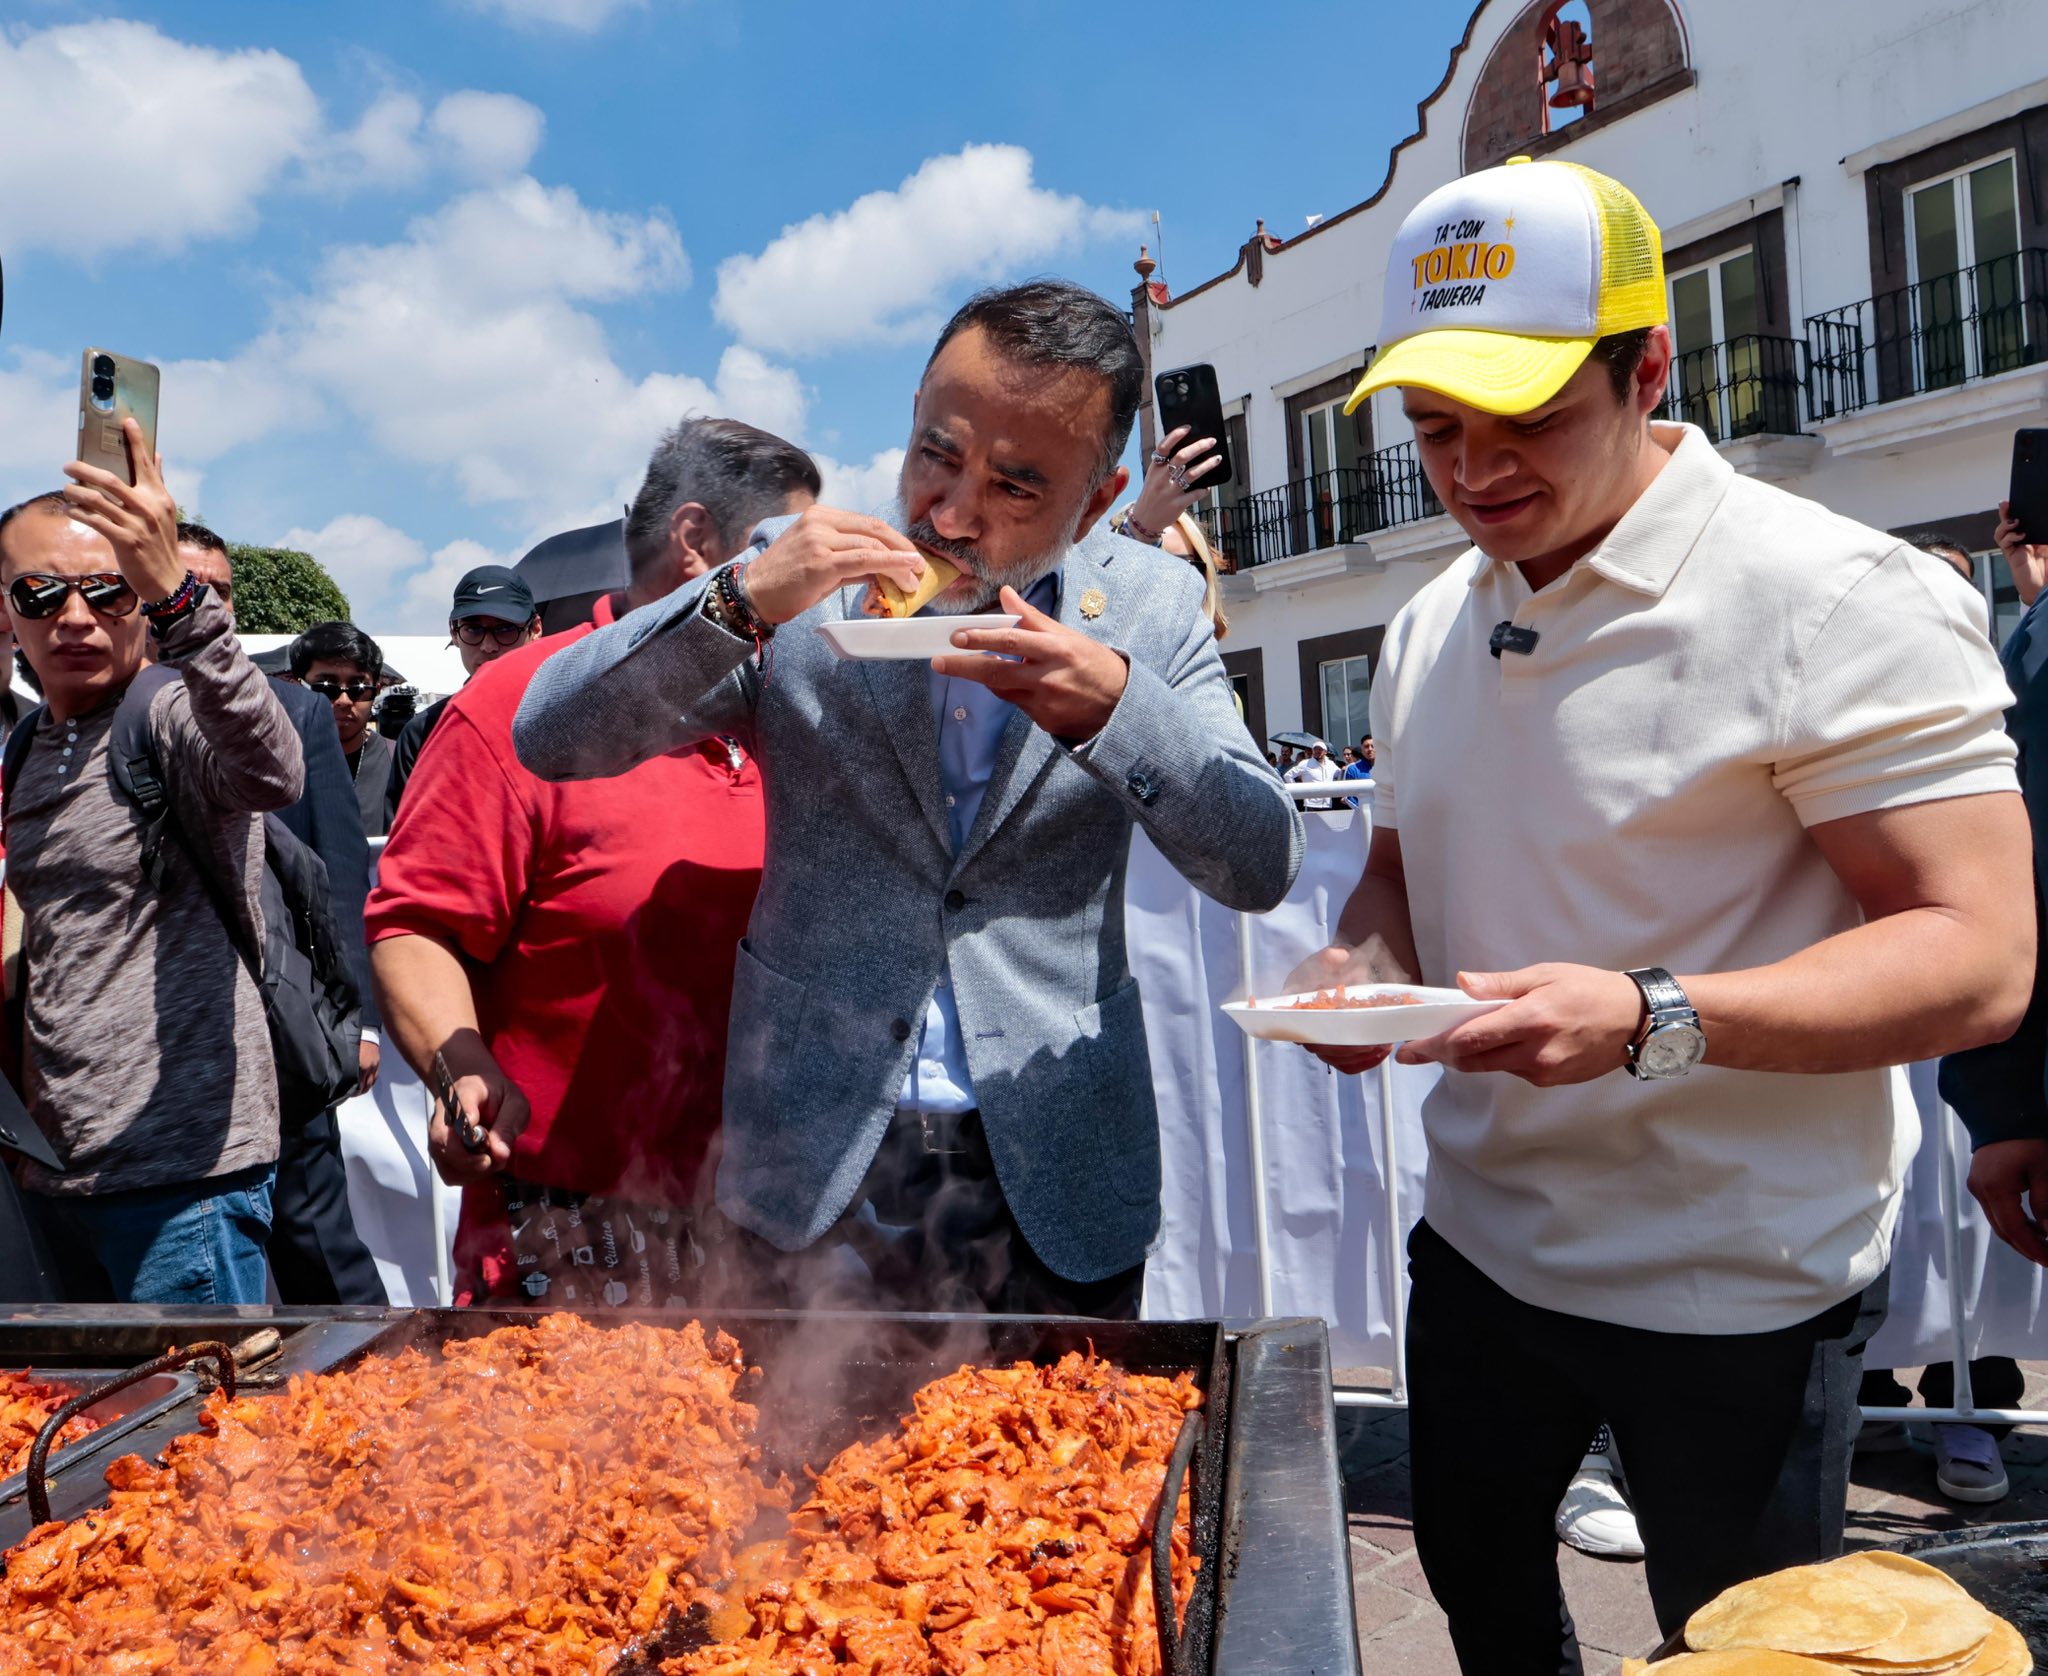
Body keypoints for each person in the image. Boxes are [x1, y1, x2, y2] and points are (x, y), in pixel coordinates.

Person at [1297, 158, 2028, 1668]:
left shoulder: (1831, 594)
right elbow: (1398, 864)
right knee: (1481, 1592)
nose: (1476, 473)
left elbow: (1979, 953)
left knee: (1741, 1648)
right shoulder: (1434, 618)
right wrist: (1361, 971)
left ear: (1649, 367)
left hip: (1738, 1285)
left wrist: (1647, 1018)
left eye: (1529, 422)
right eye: (1437, 432)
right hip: (1487, 1248)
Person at [513, 279, 1302, 1317]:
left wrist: (1115, 710)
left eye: (1016, 488)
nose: (951, 511)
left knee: (1069, 1465)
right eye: (935, 453)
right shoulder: (800, 581)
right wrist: (736, 603)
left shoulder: (1149, 609)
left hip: (1054, 1158)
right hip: (817, 1160)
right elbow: (554, 734)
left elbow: (1257, 861)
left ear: (1099, 501)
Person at [367, 419, 804, 1308]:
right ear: (698, 545)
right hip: (565, 1227)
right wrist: (461, 1067)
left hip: (773, 1224)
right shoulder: (518, 704)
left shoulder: (792, 697)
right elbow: (416, 926)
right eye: (785, 546)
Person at [0, 423, 303, 1303]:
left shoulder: (163, 710)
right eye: (41, 591)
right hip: (58, 1166)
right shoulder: (29, 744)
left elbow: (273, 772)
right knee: (95, 1432)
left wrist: (177, 593)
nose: (76, 616)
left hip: (183, 1174)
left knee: (208, 1434)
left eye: (108, 591)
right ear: (6, 608)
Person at [173, 524, 385, 1306]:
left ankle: (371, 1387)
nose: (204, 602)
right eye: (184, 583)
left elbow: (339, 872)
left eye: (219, 589)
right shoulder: (103, 712)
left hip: (278, 1025)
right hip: (161, 1036)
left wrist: (355, 1022)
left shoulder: (295, 711)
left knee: (312, 1232)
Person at [1854, 531, 2021, 1501]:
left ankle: (1972, 1401)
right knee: (1886, 1204)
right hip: (1870, 1011)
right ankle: (1872, 1394)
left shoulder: (1990, 714)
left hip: (1964, 1014)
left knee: (1960, 1218)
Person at [384, 565, 542, 823]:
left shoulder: (568, 717)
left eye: (505, 630)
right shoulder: (423, 732)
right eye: (473, 630)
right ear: (453, 632)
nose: (488, 646)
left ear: (534, 629)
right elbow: (402, 840)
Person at [288, 623, 391, 835]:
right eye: (326, 689)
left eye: (358, 689)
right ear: (297, 687)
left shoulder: (399, 761)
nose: (343, 701)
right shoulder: (275, 762)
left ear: (377, 690)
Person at [1284, 738, 1341, 809]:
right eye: (1315, 749)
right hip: (1311, 805)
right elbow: (1288, 775)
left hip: (1328, 804)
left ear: (1325, 752)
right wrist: (1298, 791)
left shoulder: (1331, 764)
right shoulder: (1305, 763)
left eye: (1320, 749)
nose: (1317, 751)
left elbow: (1340, 775)